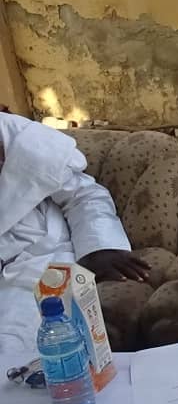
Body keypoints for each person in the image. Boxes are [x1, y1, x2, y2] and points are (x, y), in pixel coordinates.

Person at [0, 113, 149, 352]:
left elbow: (83, 196)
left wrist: (100, 247)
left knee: (21, 343)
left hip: (35, 256)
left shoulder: (26, 141)